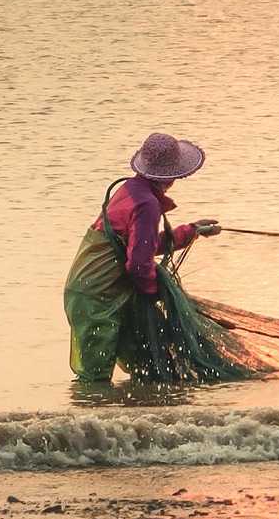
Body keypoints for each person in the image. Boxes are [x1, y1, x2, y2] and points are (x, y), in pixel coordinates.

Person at [62, 132, 224, 382]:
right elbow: (138, 265)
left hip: (90, 288)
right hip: (97, 297)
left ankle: (133, 418)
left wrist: (191, 231)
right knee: (94, 377)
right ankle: (83, 419)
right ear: (173, 176)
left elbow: (139, 247)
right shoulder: (147, 204)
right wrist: (158, 294)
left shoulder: (129, 189)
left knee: (142, 363)